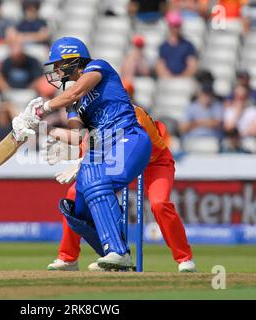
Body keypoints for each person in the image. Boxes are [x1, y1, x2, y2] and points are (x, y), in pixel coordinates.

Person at [11, 37, 152, 270]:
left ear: (73, 61)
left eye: (58, 65)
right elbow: (80, 135)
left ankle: (118, 252)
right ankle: (113, 256)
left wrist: (41, 109)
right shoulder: (72, 103)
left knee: (97, 180)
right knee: (78, 203)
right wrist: (43, 128)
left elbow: (75, 92)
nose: (55, 71)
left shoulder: (98, 67)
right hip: (104, 147)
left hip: (129, 138)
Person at [44, 82, 196, 273]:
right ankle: (69, 258)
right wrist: (46, 130)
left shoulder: (135, 115)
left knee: (159, 204)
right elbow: (86, 141)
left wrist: (82, 158)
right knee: (75, 193)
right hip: (118, 162)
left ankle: (184, 258)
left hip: (155, 162)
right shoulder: (97, 117)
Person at [156, 10, 197, 78]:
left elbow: (192, 66)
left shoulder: (188, 45)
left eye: (177, 25)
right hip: (168, 81)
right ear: (169, 26)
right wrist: (170, 78)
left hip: (184, 81)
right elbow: (160, 67)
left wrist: (181, 78)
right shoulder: (163, 46)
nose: (175, 28)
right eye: (173, 25)